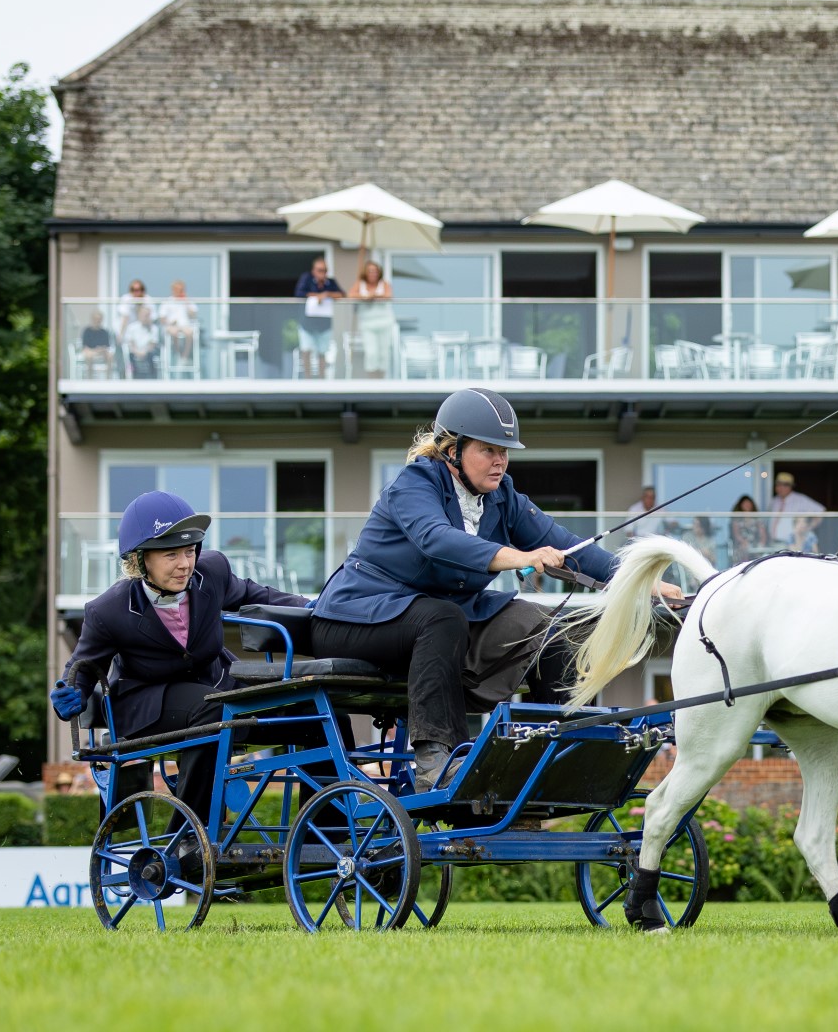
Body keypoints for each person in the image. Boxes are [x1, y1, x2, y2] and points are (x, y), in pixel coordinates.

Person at [309, 388, 682, 790]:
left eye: (504, 451)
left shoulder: (502, 496)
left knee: (553, 627)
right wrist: (519, 556)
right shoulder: (414, 484)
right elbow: (436, 539)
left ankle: (560, 754)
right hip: (354, 619)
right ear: (452, 449)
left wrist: (643, 582)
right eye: (488, 450)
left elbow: (570, 548)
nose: (500, 461)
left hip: (438, 621)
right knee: (441, 617)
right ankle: (436, 762)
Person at [50, 491, 308, 826]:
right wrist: (69, 694)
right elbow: (81, 670)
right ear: (139, 560)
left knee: (313, 703)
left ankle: (328, 833)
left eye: (189, 551)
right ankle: (188, 836)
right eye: (171, 554)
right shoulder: (107, 610)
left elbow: (258, 595)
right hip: (148, 703)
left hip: (216, 686)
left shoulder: (211, 571)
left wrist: (313, 607)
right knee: (215, 707)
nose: (185, 564)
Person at [293, 257, 344, 379]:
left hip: (324, 325)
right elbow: (299, 293)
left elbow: (341, 294)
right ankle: (308, 379)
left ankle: (322, 378)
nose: (322, 273)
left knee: (322, 352)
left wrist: (326, 294)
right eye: (320, 270)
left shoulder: (330, 282)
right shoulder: (307, 279)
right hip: (307, 324)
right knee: (306, 350)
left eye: (325, 270)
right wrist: (317, 296)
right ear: (314, 270)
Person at [350, 259, 395, 378]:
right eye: (370, 271)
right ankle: (373, 381)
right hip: (367, 324)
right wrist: (364, 296)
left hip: (384, 323)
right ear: (365, 272)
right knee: (371, 353)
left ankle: (381, 381)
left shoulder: (384, 284)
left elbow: (388, 295)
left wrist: (375, 295)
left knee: (383, 354)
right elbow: (350, 295)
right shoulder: (360, 284)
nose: (373, 273)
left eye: (375, 271)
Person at [768, 472, 824, 542]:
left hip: (792, 542)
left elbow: (821, 511)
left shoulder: (800, 499)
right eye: (778, 484)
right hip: (773, 541)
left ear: (791, 486)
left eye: (785, 485)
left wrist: (808, 528)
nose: (780, 487)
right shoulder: (774, 501)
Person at [159, 280, 199, 361]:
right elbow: (162, 318)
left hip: (185, 325)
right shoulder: (167, 302)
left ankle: (185, 356)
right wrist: (169, 322)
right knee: (174, 332)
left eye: (182, 289)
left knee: (189, 333)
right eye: (178, 289)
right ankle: (178, 353)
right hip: (172, 326)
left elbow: (193, 314)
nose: (180, 291)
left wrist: (186, 302)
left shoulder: (188, 301)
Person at [123, 304, 163, 379]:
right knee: (129, 357)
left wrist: (145, 351)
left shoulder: (154, 328)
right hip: (134, 352)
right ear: (139, 315)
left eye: (148, 315)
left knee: (153, 355)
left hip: (148, 352)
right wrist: (136, 351)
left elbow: (153, 343)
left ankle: (152, 379)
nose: (146, 317)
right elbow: (131, 342)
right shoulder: (132, 327)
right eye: (144, 315)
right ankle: (134, 378)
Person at [730, 494, 768, 563]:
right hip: (741, 548)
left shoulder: (757, 519)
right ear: (740, 505)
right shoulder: (737, 520)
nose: (747, 505)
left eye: (749, 503)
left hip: (755, 548)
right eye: (745, 503)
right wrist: (743, 542)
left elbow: (763, 533)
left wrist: (761, 545)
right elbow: (736, 534)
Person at [79, 310, 114, 378]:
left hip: (102, 352)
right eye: (96, 319)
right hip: (90, 351)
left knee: (110, 355)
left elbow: (106, 346)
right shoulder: (87, 331)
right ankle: (90, 377)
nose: (97, 321)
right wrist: (95, 350)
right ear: (92, 319)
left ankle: (108, 377)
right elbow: (85, 346)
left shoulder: (104, 332)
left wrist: (101, 350)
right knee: (89, 355)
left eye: (99, 319)